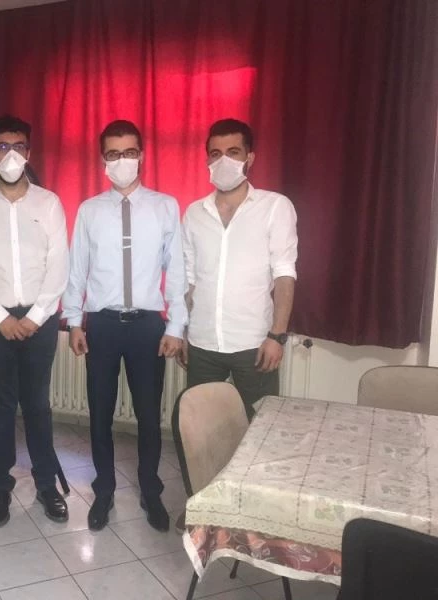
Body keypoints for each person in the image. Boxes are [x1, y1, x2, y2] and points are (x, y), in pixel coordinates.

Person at [62, 120, 188, 532]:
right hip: (102, 324)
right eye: (113, 154)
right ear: (103, 159)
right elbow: (76, 268)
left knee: (149, 415)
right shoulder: (89, 210)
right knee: (100, 412)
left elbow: (178, 270)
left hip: (148, 326)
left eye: (129, 152)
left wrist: (176, 326)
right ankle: (103, 490)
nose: (122, 160)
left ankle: (151, 491)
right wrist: (74, 321)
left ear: (142, 156)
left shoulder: (165, 206)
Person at [177, 118, 297, 533]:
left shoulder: (275, 207)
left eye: (233, 152)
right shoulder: (194, 213)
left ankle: (256, 516)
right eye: (215, 153)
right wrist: (184, 331)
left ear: (250, 157)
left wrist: (277, 335)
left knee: (259, 432)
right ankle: (203, 507)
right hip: (203, 342)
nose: (223, 160)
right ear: (206, 159)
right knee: (201, 433)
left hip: (254, 343)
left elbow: (285, 274)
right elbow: (189, 280)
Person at [0, 115, 70, 527]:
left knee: (38, 405)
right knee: (0, 406)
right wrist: (0, 318)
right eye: (2, 147)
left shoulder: (49, 202)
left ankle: (46, 485)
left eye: (18, 146)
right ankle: (1, 486)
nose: (10, 154)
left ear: (29, 152)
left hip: (40, 320)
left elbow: (59, 264)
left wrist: (36, 317)